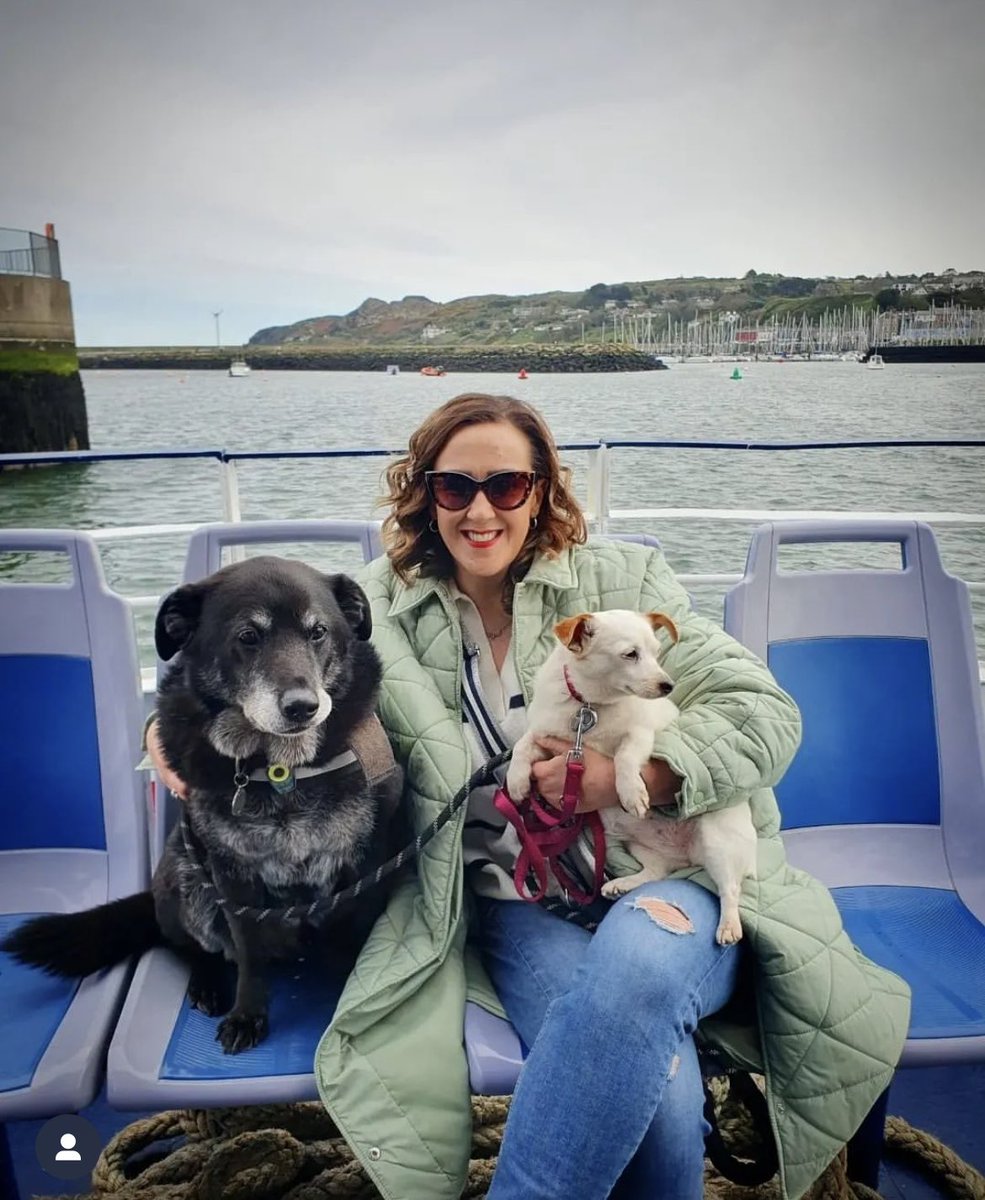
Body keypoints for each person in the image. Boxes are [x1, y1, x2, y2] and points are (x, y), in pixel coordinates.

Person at [148, 392, 910, 1200]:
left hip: (671, 872)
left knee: (636, 977)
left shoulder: (623, 580)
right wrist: (164, 733)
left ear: (541, 491)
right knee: (659, 1100)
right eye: (454, 488)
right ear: (424, 495)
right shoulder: (375, 609)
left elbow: (762, 712)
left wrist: (642, 777)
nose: (480, 511)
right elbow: (245, 648)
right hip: (513, 903)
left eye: (506, 487)